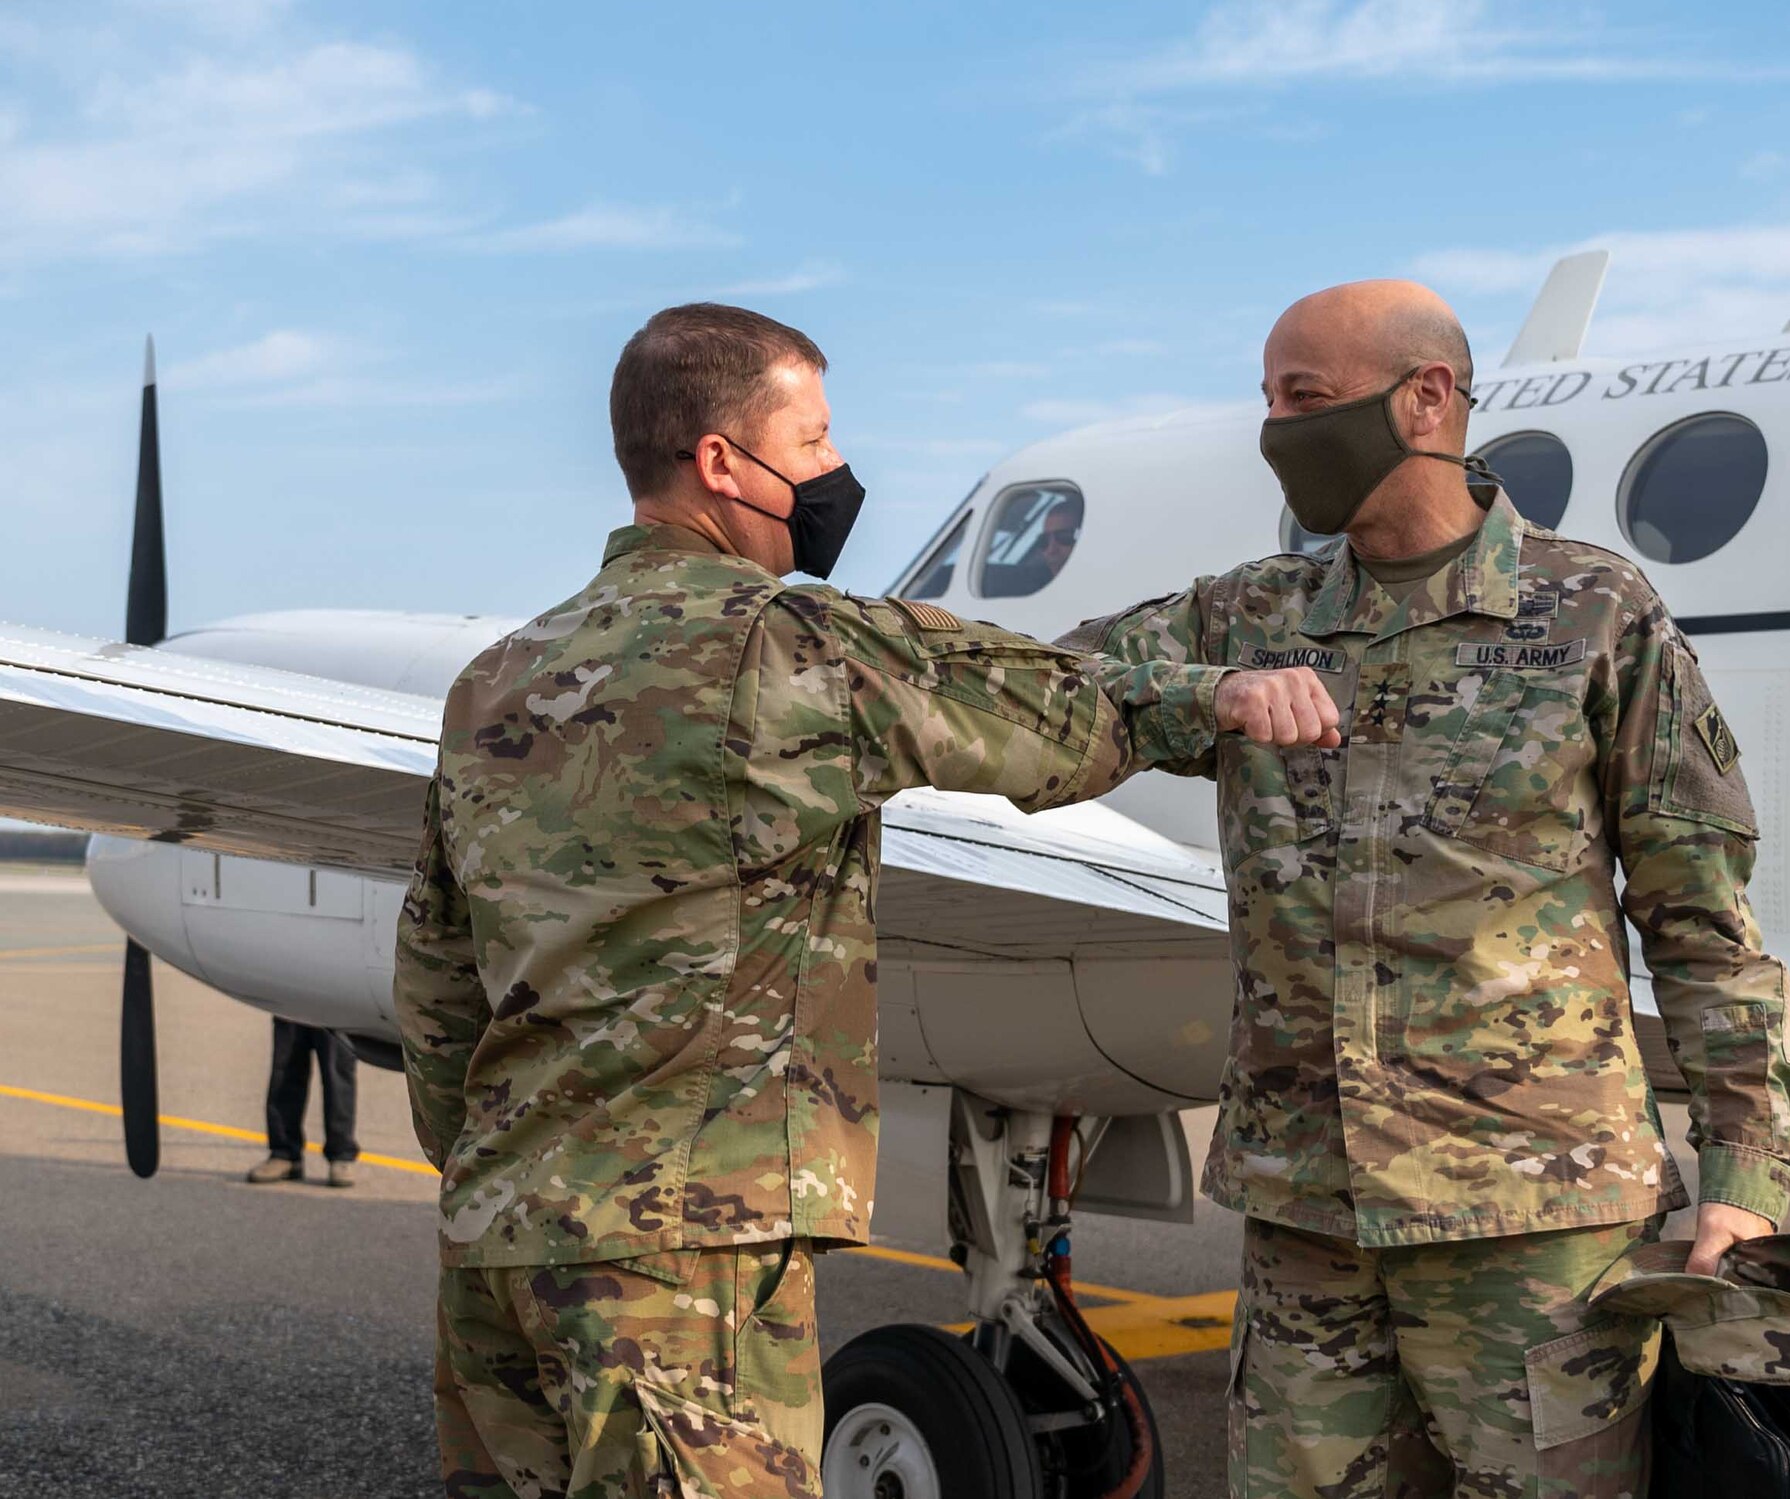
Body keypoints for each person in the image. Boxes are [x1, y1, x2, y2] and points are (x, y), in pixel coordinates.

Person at [392, 302, 1332, 1498]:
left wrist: (505, 1167)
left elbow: (434, 978)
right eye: (815, 436)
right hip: (684, 1253)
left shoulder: (496, 676)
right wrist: (1219, 699)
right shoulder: (782, 644)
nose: (836, 470)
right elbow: (1039, 718)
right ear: (720, 461)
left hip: (497, 1238)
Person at [1065, 279, 1790, 1498]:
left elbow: (1700, 920)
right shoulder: (1242, 616)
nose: (1273, 427)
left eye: (1302, 397)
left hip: (1537, 1228)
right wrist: (1195, 695)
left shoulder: (1593, 614)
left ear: (1425, 398)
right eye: (1263, 398)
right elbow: (1031, 694)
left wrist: (1743, 1179)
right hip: (1307, 1221)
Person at [243, 1017, 359, 1188]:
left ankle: (341, 1155)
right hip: (294, 999)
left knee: (337, 1076)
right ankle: (284, 1154)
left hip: (335, 1001)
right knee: (285, 1070)